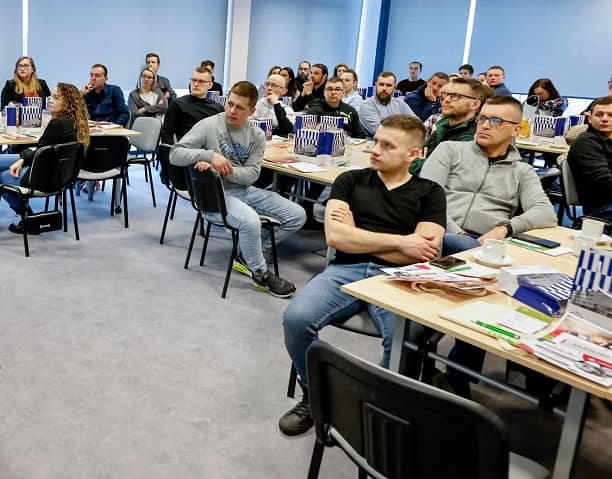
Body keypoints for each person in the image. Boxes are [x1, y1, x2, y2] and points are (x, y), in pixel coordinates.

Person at [279, 114, 446, 436]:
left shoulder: (429, 192)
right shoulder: (350, 180)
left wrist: (358, 234)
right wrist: (401, 241)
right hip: (345, 269)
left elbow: (423, 252)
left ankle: (367, 405)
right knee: (296, 319)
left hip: (399, 277)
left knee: (405, 342)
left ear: (413, 154)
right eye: (376, 141)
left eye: (387, 145)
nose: (375, 150)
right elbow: (336, 238)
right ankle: (315, 394)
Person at [170, 81, 306, 298]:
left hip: (245, 190)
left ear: (252, 111)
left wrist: (223, 169)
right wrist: (209, 155)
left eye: (239, 107)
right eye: (230, 104)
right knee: (250, 221)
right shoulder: (209, 125)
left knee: (298, 215)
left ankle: (247, 255)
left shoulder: (257, 135)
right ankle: (260, 272)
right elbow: (175, 154)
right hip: (215, 194)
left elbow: (252, 175)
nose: (232, 111)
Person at [420, 96, 557, 255]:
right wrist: (459, 234)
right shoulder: (450, 150)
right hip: (438, 231)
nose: (485, 126)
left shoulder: (522, 171)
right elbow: (425, 197)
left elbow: (546, 213)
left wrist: (505, 227)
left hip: (485, 241)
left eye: (495, 121)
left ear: (516, 130)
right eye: (482, 118)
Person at [0, 83, 92, 233]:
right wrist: (22, 159)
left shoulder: (58, 124)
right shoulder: (74, 122)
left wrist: (22, 159)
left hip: (44, 177)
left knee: (0, 176)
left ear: (68, 103)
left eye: (56, 97)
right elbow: (42, 150)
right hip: (61, 175)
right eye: (51, 96)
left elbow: (40, 151)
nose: (51, 100)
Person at [410, 76, 486, 175]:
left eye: (455, 96)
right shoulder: (443, 125)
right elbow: (414, 155)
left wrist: (417, 163)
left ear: (475, 104)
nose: (446, 100)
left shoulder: (471, 137)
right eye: (446, 95)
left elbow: (437, 173)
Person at [568, 96, 612, 221]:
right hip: (601, 207)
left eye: (610, 115)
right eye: (599, 114)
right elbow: (605, 182)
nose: (605, 119)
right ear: (590, 118)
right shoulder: (586, 142)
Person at [160, 66, 223, 144]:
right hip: (186, 148)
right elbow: (166, 136)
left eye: (201, 81)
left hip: (210, 149)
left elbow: (222, 136)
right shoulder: (177, 104)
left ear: (210, 85)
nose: (196, 84)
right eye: (194, 80)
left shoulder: (218, 109)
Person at [358, 72, 415, 137]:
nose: (384, 88)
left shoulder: (400, 104)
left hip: (402, 141)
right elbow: (381, 132)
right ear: (376, 85)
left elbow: (417, 124)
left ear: (394, 87)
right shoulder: (367, 105)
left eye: (388, 85)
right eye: (381, 84)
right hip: (374, 142)